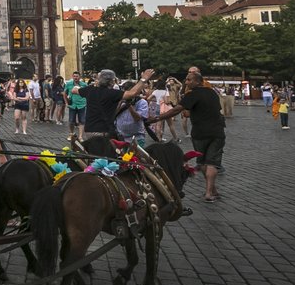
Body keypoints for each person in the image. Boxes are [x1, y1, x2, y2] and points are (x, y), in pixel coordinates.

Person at [149, 70, 224, 203]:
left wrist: (157, 118)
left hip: (200, 132)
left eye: (189, 80)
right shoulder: (212, 93)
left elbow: (178, 110)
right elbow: (216, 109)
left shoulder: (192, 95)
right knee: (211, 162)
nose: (187, 82)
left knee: (203, 162)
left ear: (198, 81)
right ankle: (211, 191)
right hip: (216, 131)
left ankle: (208, 192)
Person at [73, 68, 156, 138]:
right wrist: (144, 79)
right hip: (103, 131)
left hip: (89, 130)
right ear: (111, 81)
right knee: (105, 155)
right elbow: (132, 93)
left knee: (93, 155)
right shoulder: (112, 93)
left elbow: (74, 90)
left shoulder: (90, 90)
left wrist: (93, 84)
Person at [114, 81, 149, 147]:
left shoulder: (142, 102)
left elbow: (137, 118)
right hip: (121, 137)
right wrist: (120, 102)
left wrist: (129, 105)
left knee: (135, 157)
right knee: (123, 157)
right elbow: (113, 114)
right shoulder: (120, 101)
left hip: (136, 137)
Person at [65, 71, 87, 141]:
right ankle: (71, 134)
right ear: (72, 77)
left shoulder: (84, 85)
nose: (75, 78)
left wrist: (86, 102)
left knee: (82, 121)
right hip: (72, 105)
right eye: (74, 76)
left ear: (79, 77)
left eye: (77, 76)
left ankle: (80, 136)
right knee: (71, 121)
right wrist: (66, 102)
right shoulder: (68, 84)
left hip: (82, 104)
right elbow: (64, 93)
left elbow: (87, 93)